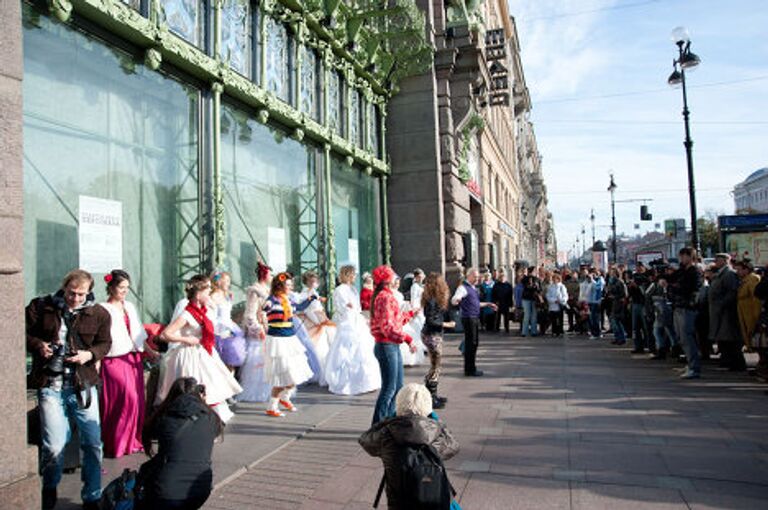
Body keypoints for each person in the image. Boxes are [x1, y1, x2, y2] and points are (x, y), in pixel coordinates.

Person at [26, 269, 112, 510]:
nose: (75, 298)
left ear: (89, 292)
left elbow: (105, 343)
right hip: (51, 385)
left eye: (81, 294)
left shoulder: (99, 313)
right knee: (53, 446)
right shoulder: (42, 307)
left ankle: (92, 496)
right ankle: (49, 489)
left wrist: (89, 354)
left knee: (93, 443)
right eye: (72, 293)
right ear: (64, 288)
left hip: (83, 385)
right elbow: (19, 332)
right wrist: (39, 346)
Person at [358, 383, 459, 510]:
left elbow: (365, 439)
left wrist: (389, 420)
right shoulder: (436, 434)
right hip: (432, 500)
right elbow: (454, 445)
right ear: (428, 409)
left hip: (398, 504)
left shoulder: (387, 434)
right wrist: (437, 421)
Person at [156, 275, 242, 422]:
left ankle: (207, 424)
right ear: (198, 293)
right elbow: (165, 334)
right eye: (207, 288)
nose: (210, 291)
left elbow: (213, 329)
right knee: (192, 389)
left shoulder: (203, 311)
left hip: (202, 352)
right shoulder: (187, 313)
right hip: (189, 354)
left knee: (211, 387)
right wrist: (185, 339)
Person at [99, 269, 158, 459]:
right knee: (124, 399)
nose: (124, 291)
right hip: (114, 359)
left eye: (126, 287)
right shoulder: (102, 308)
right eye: (121, 287)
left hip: (133, 358)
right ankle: (116, 443)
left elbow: (138, 332)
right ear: (111, 287)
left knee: (137, 401)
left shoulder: (130, 306)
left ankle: (132, 441)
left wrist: (149, 352)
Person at [139, 377, 222, 510]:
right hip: (200, 488)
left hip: (167, 491)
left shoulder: (164, 417)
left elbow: (149, 433)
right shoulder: (212, 417)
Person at [261, 272, 316, 416]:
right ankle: (272, 406)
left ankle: (284, 398)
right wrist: (266, 306)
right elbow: (266, 306)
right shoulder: (273, 299)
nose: (291, 287)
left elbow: (298, 307)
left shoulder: (288, 300)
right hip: (278, 341)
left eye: (292, 285)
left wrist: (311, 298)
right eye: (288, 285)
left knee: (295, 373)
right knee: (282, 375)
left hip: (290, 339)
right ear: (280, 285)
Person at [324, 265, 382, 396]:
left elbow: (356, 306)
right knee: (346, 351)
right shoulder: (339, 290)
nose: (355, 276)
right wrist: (351, 308)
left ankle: (365, 380)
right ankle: (348, 382)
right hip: (347, 322)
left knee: (363, 349)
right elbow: (344, 307)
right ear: (348, 275)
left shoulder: (354, 289)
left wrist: (356, 312)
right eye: (353, 274)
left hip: (357, 320)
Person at [370, 265, 416, 424]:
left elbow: (392, 322)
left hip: (389, 345)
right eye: (393, 276)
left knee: (396, 388)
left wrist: (409, 315)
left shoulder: (385, 296)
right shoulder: (385, 297)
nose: (396, 278)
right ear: (386, 280)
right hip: (387, 345)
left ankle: (387, 422)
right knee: (390, 389)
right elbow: (388, 327)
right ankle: (378, 425)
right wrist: (408, 338)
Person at [451, 267, 497, 376]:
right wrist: (456, 301)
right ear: (469, 276)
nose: (477, 279)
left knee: (474, 343)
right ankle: (469, 369)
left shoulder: (473, 288)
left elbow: (476, 304)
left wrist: (488, 304)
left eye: (478, 277)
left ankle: (472, 367)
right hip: (468, 318)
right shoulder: (463, 288)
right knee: (471, 343)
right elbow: (454, 299)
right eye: (475, 277)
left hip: (474, 317)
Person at [237, 261, 271, 402]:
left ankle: (268, 390)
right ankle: (255, 391)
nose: (272, 277)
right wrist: (257, 329)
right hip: (259, 329)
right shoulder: (254, 291)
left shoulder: (267, 290)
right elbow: (250, 313)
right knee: (257, 360)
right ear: (265, 275)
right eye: (270, 274)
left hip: (268, 326)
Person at [295, 270, 336, 386]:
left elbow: (317, 307)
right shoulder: (305, 294)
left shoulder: (313, 292)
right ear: (306, 282)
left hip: (319, 319)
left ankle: (322, 371)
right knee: (315, 346)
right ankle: (314, 372)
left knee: (324, 345)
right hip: (312, 321)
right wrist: (318, 321)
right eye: (311, 280)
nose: (314, 282)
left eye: (315, 280)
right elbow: (307, 309)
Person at [420, 273, 455, 409]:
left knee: (435, 366)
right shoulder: (432, 300)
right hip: (432, 335)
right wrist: (447, 324)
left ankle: (432, 395)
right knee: (436, 367)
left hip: (431, 334)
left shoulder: (431, 298)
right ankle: (431, 397)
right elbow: (431, 320)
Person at [670, 248, 703, 379]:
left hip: (688, 307)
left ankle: (694, 367)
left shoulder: (694, 272)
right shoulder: (683, 271)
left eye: (683, 256)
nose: (681, 259)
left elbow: (688, 288)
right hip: (679, 306)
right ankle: (690, 364)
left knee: (687, 337)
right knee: (681, 337)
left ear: (690, 257)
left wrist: (674, 286)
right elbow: (671, 277)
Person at [709, 253, 745, 372]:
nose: (716, 262)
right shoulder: (721, 273)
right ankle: (728, 361)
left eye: (718, 260)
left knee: (730, 338)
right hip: (720, 310)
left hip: (727, 312)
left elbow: (732, 291)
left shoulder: (729, 274)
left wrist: (722, 303)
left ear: (725, 261)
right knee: (724, 338)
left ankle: (736, 363)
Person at [209, 271, 246, 371]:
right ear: (218, 282)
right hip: (220, 329)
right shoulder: (213, 297)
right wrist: (221, 331)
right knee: (223, 361)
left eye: (229, 281)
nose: (228, 283)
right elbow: (213, 317)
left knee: (232, 359)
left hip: (230, 326)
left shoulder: (228, 296)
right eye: (226, 281)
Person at [735, 260, 761, 356]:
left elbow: (756, 299)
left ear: (746, 270)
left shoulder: (753, 279)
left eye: (739, 270)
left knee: (754, 336)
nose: (737, 272)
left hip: (750, 313)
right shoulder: (744, 280)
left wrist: (756, 316)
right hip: (744, 312)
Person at [606, 267, 628, 346]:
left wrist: (615, 297)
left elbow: (624, 295)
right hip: (613, 304)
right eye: (611, 273)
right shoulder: (611, 282)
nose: (612, 275)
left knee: (617, 322)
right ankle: (617, 337)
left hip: (618, 304)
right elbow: (608, 290)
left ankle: (621, 338)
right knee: (614, 322)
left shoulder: (620, 282)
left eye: (613, 273)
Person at [520, 266, 541, 337]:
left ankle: (533, 331)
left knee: (534, 315)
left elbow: (539, 289)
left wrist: (536, 287)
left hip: (534, 299)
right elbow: (526, 286)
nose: (536, 272)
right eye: (535, 271)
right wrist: (532, 285)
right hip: (526, 298)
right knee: (527, 315)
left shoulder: (537, 279)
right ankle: (524, 332)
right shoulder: (525, 279)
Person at [545, 273, 568, 337]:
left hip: (559, 305)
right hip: (552, 305)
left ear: (558, 279)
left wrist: (561, 300)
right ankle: (554, 331)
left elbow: (565, 296)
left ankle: (560, 331)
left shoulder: (562, 286)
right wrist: (553, 300)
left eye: (555, 278)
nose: (554, 280)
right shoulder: (550, 286)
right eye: (553, 278)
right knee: (553, 319)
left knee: (560, 319)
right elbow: (548, 296)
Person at [492, 269, 514, 334]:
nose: (502, 278)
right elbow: (493, 294)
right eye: (500, 277)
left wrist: (511, 304)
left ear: (505, 278)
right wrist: (494, 301)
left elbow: (510, 295)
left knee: (506, 317)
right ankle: (496, 328)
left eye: (503, 277)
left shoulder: (509, 285)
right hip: (498, 302)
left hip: (506, 302)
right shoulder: (496, 285)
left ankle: (507, 328)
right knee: (497, 316)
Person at [587, 269, 605, 339]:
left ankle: (597, 333)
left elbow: (598, 288)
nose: (594, 275)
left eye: (595, 273)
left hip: (597, 301)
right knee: (591, 318)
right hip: (591, 301)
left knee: (596, 318)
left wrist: (592, 280)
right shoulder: (591, 280)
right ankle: (594, 333)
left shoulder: (601, 280)